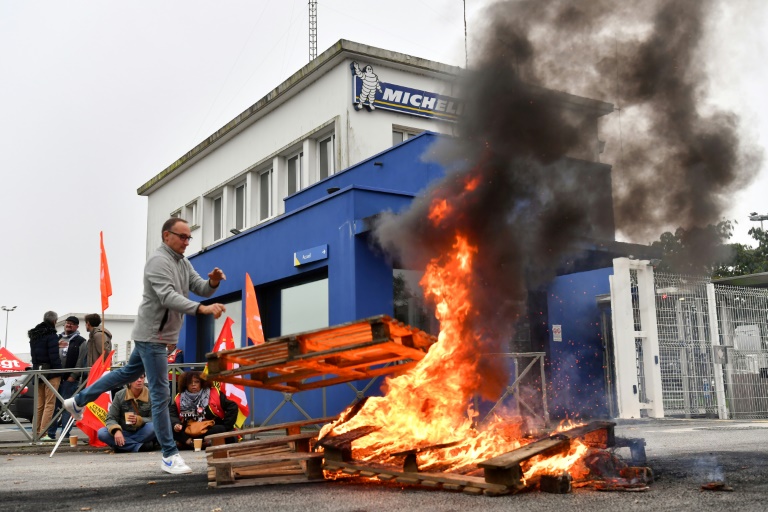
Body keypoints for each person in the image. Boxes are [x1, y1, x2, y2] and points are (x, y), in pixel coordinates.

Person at [64, 217, 226, 475]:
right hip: (152, 335)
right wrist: (200, 309)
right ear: (166, 236)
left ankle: (78, 400)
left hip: (157, 335)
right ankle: (170, 455)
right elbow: (168, 297)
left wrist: (213, 282)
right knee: (161, 394)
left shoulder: (183, 262)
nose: (186, 241)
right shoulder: (157, 262)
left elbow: (200, 287)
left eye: (189, 237)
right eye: (182, 237)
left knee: (126, 374)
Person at [170, 371, 238, 449]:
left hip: (209, 429)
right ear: (185, 384)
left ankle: (190, 444)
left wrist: (227, 426)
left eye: (197, 382)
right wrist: (176, 425)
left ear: (202, 383)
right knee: (169, 429)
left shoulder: (214, 393)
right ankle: (192, 442)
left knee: (221, 429)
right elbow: (172, 414)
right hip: (188, 431)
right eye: (190, 382)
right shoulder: (179, 398)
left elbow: (232, 407)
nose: (193, 385)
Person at [49, 316, 86, 440]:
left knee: (67, 407)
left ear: (77, 327)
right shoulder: (57, 339)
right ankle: (50, 434)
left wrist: (73, 376)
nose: (69, 325)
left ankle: (65, 435)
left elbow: (81, 360)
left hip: (69, 380)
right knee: (53, 406)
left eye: (72, 324)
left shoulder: (81, 341)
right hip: (55, 379)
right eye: (67, 323)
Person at [97, 375, 156, 452]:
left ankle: (121, 446)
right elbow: (111, 418)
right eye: (136, 378)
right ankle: (139, 446)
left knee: (154, 427)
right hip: (123, 432)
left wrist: (140, 420)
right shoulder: (120, 395)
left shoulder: (151, 395)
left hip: (142, 431)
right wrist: (116, 430)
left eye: (141, 377)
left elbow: (155, 418)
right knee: (102, 433)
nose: (139, 380)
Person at [28, 311, 62, 441]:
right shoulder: (51, 335)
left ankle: (35, 433)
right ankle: (44, 433)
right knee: (50, 404)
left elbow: (34, 356)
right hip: (51, 373)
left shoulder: (34, 335)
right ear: (54, 321)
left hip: (38, 372)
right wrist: (59, 372)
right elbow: (54, 356)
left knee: (39, 404)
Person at [76, 313, 113, 378]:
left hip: (97, 372)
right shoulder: (95, 334)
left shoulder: (98, 335)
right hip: (95, 371)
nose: (85, 325)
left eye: (85, 323)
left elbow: (105, 353)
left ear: (88, 323)